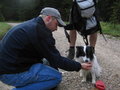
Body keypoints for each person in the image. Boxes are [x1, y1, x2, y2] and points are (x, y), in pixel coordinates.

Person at [0, 7, 92, 90]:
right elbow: (57, 60)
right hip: (10, 74)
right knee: (56, 78)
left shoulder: (33, 24)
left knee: (47, 62)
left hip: (7, 68)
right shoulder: (41, 32)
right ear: (48, 18)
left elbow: (51, 58)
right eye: (57, 24)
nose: (56, 29)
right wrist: (80, 66)